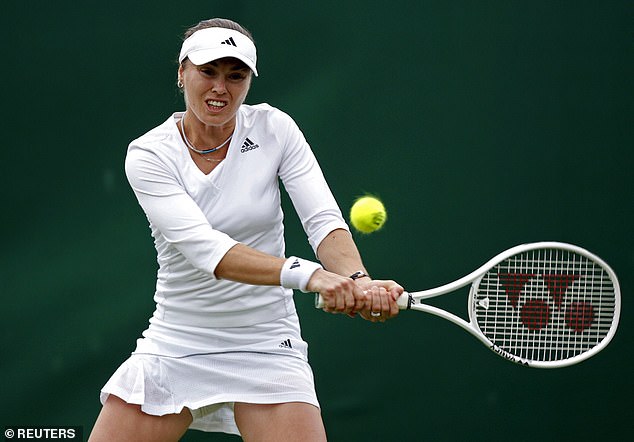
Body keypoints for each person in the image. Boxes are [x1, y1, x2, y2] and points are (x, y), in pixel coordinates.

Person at [89, 17, 403, 441]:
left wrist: (356, 280)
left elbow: (323, 221)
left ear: (249, 83)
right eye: (208, 71)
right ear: (182, 72)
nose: (221, 87)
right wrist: (311, 277)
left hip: (267, 341)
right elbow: (208, 250)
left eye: (235, 75)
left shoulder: (276, 129)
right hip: (179, 338)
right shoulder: (148, 155)